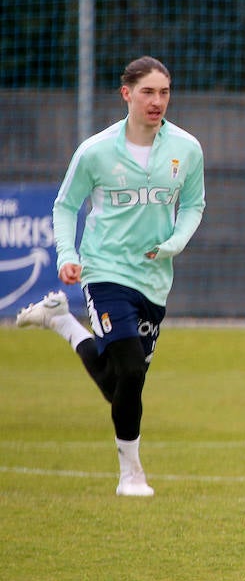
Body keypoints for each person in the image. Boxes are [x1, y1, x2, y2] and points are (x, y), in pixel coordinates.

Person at [16, 56, 206, 495]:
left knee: (121, 383)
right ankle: (131, 476)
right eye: (148, 92)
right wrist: (68, 253)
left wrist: (174, 243)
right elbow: (65, 206)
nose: (157, 101)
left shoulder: (187, 149)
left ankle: (61, 322)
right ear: (127, 94)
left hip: (155, 279)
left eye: (164, 92)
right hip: (104, 270)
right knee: (131, 373)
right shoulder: (96, 150)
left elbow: (194, 204)